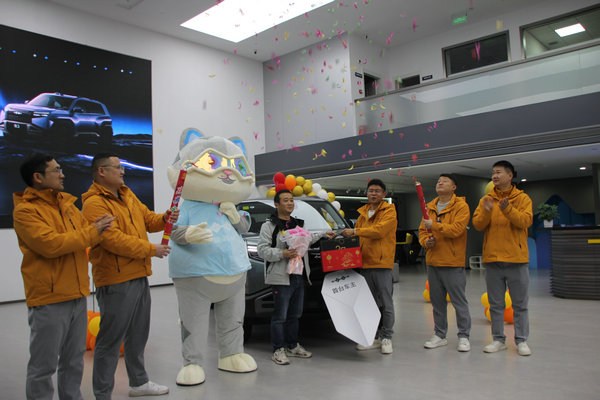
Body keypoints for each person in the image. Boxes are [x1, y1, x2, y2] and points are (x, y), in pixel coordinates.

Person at [13, 153, 113, 400]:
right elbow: (52, 245)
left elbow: (84, 236)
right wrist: (94, 231)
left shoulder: (67, 206)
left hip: (77, 294)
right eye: (56, 170)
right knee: (43, 365)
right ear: (38, 177)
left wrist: (98, 229)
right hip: (49, 298)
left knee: (74, 360)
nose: (62, 174)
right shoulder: (25, 211)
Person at [81, 153, 178, 398]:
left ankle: (139, 382)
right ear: (102, 171)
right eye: (117, 167)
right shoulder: (94, 204)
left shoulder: (127, 194)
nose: (123, 171)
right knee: (110, 340)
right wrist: (151, 249)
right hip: (115, 279)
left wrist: (164, 218)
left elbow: (148, 220)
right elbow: (113, 240)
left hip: (138, 273)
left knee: (138, 334)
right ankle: (103, 393)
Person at [257, 190, 335, 365]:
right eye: (285, 200)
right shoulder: (269, 226)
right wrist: (282, 253)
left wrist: (323, 235)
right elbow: (262, 250)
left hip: (298, 274)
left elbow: (307, 239)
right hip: (281, 276)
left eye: (291, 200)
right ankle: (278, 349)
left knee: (295, 314)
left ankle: (292, 346)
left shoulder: (297, 224)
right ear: (276, 204)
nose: (290, 203)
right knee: (280, 316)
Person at [472, 160, 533, 356]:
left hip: (516, 259)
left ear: (510, 175)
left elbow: (525, 221)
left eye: (498, 172)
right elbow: (478, 225)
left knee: (520, 304)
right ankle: (498, 340)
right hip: (493, 259)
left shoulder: (522, 198)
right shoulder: (486, 200)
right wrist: (487, 211)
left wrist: (507, 209)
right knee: (496, 304)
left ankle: (521, 340)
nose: (495, 176)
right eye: (493, 173)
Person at [341, 179, 398, 354]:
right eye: (371, 190)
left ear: (384, 194)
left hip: (382, 263)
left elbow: (379, 231)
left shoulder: (389, 211)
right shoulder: (362, 213)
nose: (373, 193)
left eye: (377, 191)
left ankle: (387, 337)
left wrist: (355, 231)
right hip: (364, 263)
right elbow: (356, 237)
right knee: (370, 304)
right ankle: (373, 336)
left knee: (386, 303)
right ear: (366, 193)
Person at [418, 174, 472, 352]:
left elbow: (456, 230)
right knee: (437, 302)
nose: (440, 182)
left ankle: (464, 336)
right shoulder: (429, 207)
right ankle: (440, 335)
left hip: (452, 262)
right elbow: (422, 232)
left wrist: (434, 225)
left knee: (459, 302)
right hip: (433, 262)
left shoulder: (461, 206)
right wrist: (426, 242)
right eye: (438, 180)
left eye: (445, 181)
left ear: (454, 187)